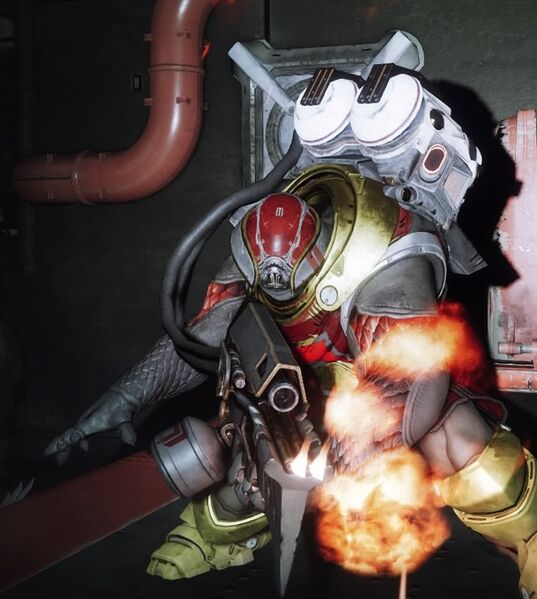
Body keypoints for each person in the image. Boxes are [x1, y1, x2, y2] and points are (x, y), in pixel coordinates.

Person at [46, 67, 537, 597]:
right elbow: (202, 336)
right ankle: (210, 538)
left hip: (394, 384)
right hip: (301, 388)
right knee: (250, 479)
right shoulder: (258, 245)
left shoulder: (387, 252)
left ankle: (531, 540)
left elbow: (413, 375)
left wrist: (359, 455)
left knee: (472, 453)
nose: (279, 287)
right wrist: (124, 398)